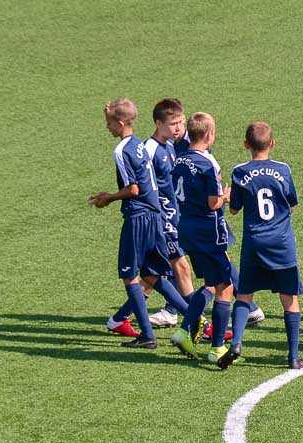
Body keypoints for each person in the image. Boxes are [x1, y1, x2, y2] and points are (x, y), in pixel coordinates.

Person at [89, 98, 184, 348]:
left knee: (130, 277)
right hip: (155, 216)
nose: (107, 127)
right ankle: (198, 320)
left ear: (120, 123)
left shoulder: (121, 150)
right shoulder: (139, 145)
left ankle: (147, 336)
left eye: (109, 123)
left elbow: (133, 188)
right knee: (156, 275)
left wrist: (108, 198)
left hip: (138, 217)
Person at [217, 122, 303, 370]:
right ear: (273, 143)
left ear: (246, 144)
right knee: (289, 298)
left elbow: (234, 209)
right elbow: (292, 203)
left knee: (244, 294)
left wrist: (227, 198)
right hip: (281, 243)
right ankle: (293, 356)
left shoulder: (239, 171)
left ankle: (235, 343)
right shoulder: (283, 169)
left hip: (254, 243)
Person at [167, 112, 236, 363]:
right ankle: (217, 347)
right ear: (208, 135)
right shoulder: (209, 164)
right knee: (225, 287)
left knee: (210, 283)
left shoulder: (179, 159)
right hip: (209, 233)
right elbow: (212, 203)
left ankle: (184, 331)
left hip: (187, 229)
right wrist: (226, 196)